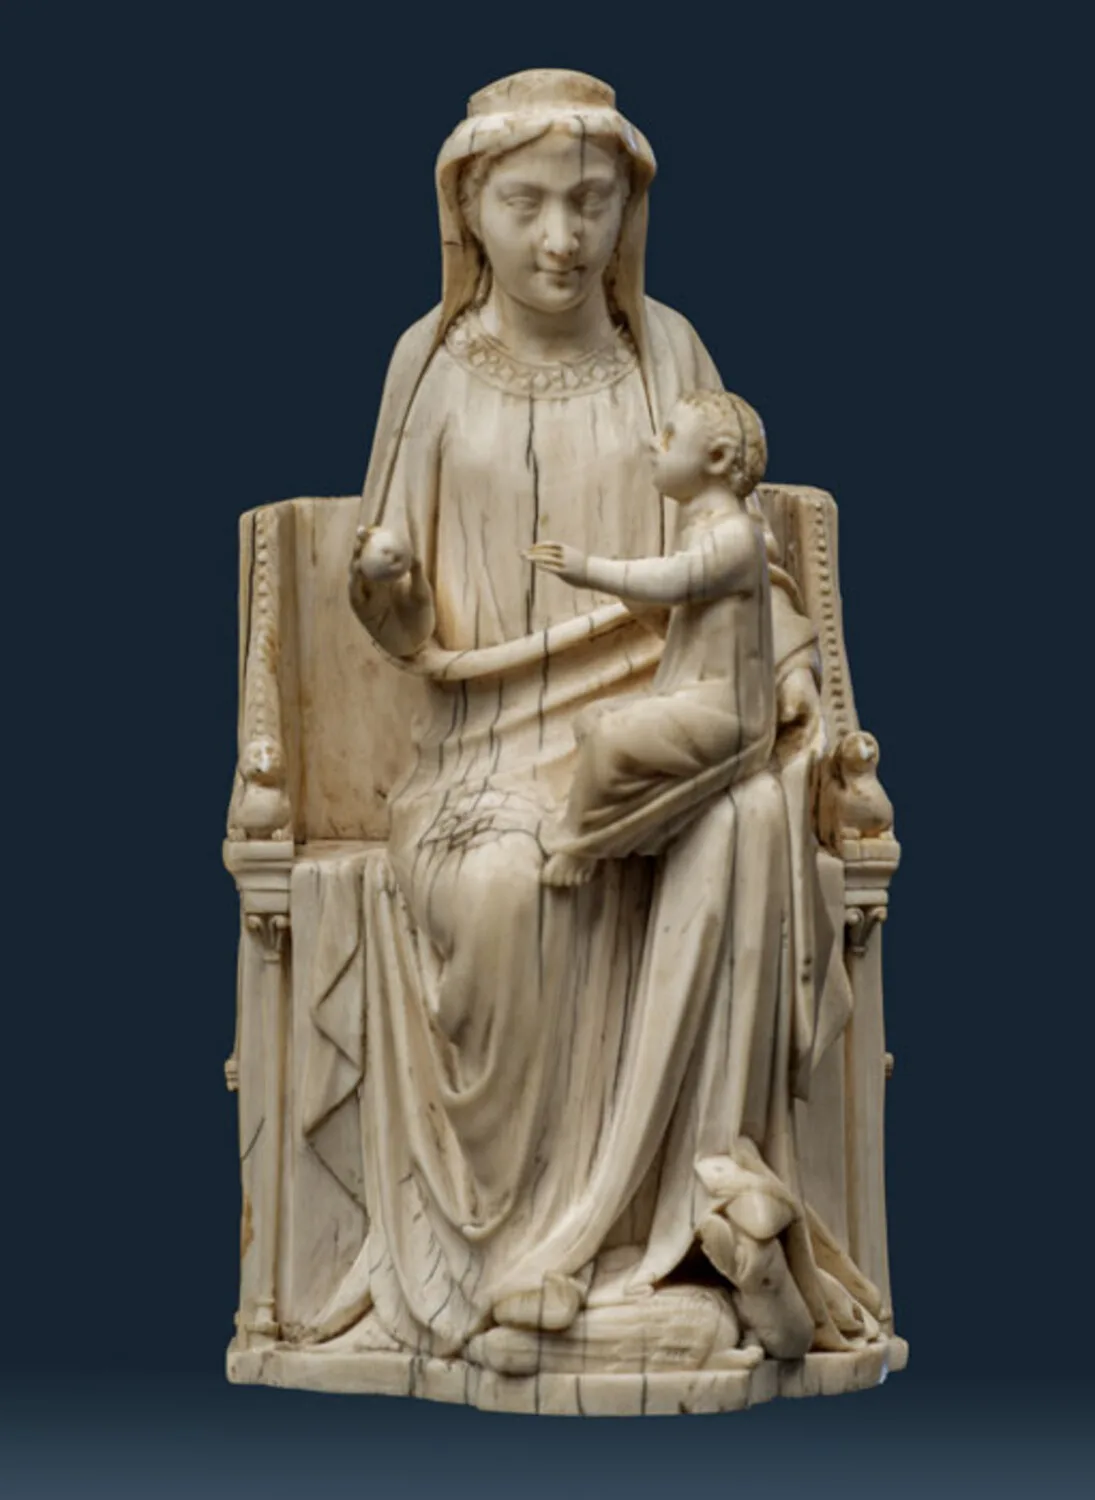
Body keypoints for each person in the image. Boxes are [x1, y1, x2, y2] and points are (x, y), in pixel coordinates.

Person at [301, 68, 880, 1369]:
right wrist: (388, 588)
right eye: (528, 203)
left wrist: (792, 672)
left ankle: (693, 1224)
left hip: (665, 718)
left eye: (590, 203)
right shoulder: (428, 367)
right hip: (484, 748)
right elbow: (391, 611)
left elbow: (744, 557)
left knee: (745, 827)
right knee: (504, 893)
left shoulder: (666, 355)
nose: (562, 237)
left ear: (628, 211)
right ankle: (512, 1261)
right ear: (469, 210)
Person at [526, 389, 776, 887]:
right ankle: (644, 824)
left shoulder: (736, 537)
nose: (651, 444)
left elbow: (678, 580)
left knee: (612, 739)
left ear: (717, 457)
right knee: (591, 722)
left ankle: (580, 844)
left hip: (730, 715)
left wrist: (588, 569)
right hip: (690, 697)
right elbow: (681, 612)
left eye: (669, 436)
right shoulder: (703, 529)